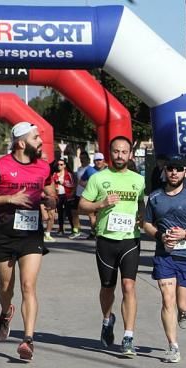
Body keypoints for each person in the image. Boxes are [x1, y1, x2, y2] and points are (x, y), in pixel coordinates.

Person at [0, 121, 57, 361]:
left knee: (28, 286)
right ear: (22, 143)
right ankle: (5, 310)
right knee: (6, 288)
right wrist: (9, 199)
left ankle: (28, 340)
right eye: (36, 138)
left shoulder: (43, 167)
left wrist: (50, 201)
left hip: (31, 234)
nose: (40, 141)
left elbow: (50, 191)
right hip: (5, 234)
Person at [79, 136, 146, 356]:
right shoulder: (98, 179)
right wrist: (100, 204)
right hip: (106, 239)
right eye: (116, 151)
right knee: (108, 287)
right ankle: (107, 320)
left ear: (130, 154)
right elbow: (81, 205)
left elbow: (142, 205)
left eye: (124, 152)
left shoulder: (138, 180)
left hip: (129, 240)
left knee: (128, 286)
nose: (120, 155)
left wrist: (142, 218)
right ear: (110, 153)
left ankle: (128, 337)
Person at [140, 155, 186, 363]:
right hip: (165, 255)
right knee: (167, 299)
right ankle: (173, 346)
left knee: (182, 304)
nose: (174, 173)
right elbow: (147, 224)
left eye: (178, 169)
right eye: (170, 169)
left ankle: (185, 311)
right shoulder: (155, 197)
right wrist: (160, 236)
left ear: (185, 173)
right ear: (165, 171)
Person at [48, 157, 76, 237]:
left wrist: (63, 183)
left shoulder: (68, 174)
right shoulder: (54, 174)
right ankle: (61, 229)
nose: (59, 166)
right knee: (60, 213)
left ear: (64, 166)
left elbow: (72, 185)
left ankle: (73, 229)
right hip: (58, 195)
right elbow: (51, 185)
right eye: (58, 164)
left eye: (61, 164)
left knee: (68, 212)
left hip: (67, 195)